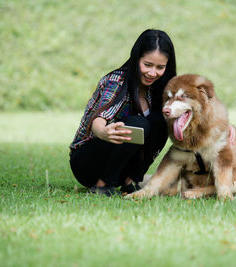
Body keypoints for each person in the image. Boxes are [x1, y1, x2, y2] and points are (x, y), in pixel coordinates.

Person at [69, 29, 177, 197]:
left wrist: (222, 130)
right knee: (139, 124)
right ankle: (102, 185)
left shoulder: (158, 89)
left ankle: (131, 181)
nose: (152, 73)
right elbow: (100, 117)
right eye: (147, 65)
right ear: (136, 58)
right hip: (87, 163)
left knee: (162, 119)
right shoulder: (117, 81)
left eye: (160, 67)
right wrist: (103, 132)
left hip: (122, 165)